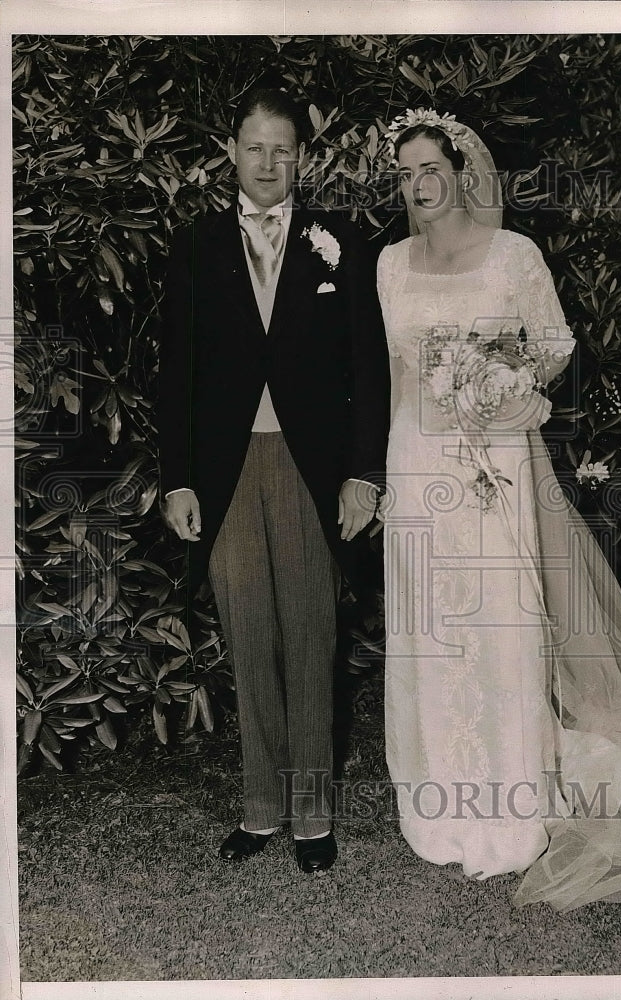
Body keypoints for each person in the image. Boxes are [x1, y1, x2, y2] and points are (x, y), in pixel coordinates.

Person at [375, 108, 621, 909]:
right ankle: (441, 801)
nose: (418, 186)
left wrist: (493, 379)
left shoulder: (514, 255)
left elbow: (551, 346)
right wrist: (395, 472)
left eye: (429, 167)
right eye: (404, 174)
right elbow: (398, 376)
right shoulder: (390, 265)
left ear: (462, 169)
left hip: (498, 461)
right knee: (433, 629)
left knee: (502, 624)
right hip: (417, 461)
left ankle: (512, 804)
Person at [158, 88, 390, 873]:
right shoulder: (194, 243)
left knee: (311, 636)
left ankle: (313, 813)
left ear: (302, 156)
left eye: (283, 150)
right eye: (255, 147)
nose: (268, 163)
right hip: (223, 472)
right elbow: (177, 373)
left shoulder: (339, 240)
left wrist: (363, 473)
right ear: (231, 151)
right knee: (247, 634)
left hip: (308, 467)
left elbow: (367, 366)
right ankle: (260, 807)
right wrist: (178, 481)